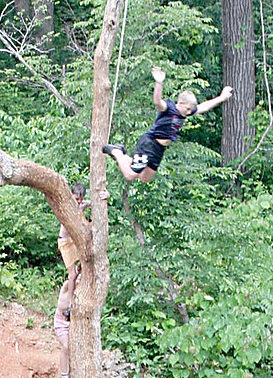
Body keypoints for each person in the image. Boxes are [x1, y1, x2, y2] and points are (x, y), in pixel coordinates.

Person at [102, 67, 233, 183]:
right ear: (180, 103)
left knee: (144, 178)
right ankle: (117, 152)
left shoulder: (185, 113)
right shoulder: (169, 108)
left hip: (159, 149)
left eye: (190, 110)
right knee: (131, 175)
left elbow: (204, 107)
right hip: (150, 143)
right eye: (187, 109)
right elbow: (157, 102)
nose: (188, 113)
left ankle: (123, 155)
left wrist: (222, 97)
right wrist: (159, 82)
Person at [57, 182, 89, 280]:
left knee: (86, 263)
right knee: (72, 274)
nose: (79, 201)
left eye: (81, 199)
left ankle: (76, 289)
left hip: (74, 241)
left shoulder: (82, 205)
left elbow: (95, 202)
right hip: (65, 241)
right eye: (76, 199)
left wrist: (106, 195)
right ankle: (70, 295)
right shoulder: (67, 206)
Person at [54, 268, 76, 378]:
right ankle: (64, 376)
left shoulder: (81, 290)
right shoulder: (67, 285)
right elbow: (71, 279)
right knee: (65, 346)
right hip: (61, 322)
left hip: (72, 323)